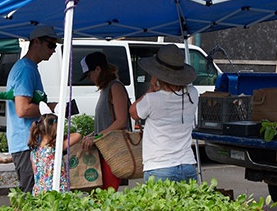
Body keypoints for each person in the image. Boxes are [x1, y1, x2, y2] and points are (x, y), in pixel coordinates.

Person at [129, 45, 200, 183]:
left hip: (160, 166)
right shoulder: (193, 93)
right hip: (187, 164)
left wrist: (150, 89)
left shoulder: (152, 99)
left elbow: (133, 112)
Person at [6, 25, 60, 193]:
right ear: (36, 42)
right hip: (25, 143)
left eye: (55, 47)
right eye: (51, 45)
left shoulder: (29, 68)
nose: (53, 51)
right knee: (31, 196)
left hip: (26, 142)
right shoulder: (26, 69)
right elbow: (22, 109)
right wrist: (49, 108)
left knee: (32, 195)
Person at [79, 51, 131, 190]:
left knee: (106, 195)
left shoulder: (115, 87)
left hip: (113, 152)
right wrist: (92, 134)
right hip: (104, 151)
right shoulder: (105, 89)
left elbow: (121, 121)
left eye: (90, 74)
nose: (90, 79)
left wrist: (97, 136)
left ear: (98, 69)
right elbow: (106, 123)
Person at [29, 108, 82, 195]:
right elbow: (77, 135)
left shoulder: (34, 151)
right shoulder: (55, 148)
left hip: (39, 192)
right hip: (56, 191)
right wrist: (61, 136)